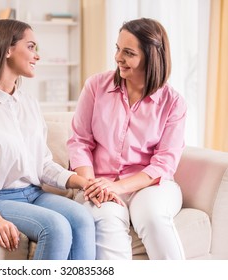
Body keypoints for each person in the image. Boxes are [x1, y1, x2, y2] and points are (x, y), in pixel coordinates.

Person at [0, 19, 96, 260]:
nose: (36, 55)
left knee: (82, 219)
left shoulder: (29, 103)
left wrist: (83, 182)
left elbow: (42, 164)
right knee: (56, 227)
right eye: (31, 47)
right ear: (7, 49)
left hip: (34, 193)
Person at [67, 18, 187, 260]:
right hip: (98, 182)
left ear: (151, 57)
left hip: (151, 185)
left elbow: (164, 163)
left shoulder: (173, 102)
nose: (118, 57)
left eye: (128, 53)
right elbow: (80, 141)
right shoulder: (96, 86)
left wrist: (118, 187)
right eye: (117, 48)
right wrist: (92, 185)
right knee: (108, 218)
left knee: (151, 216)